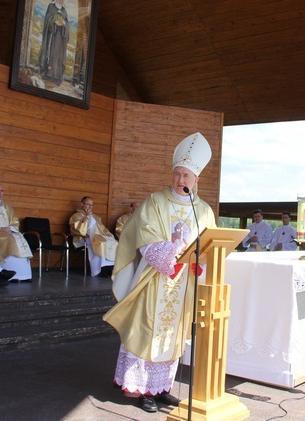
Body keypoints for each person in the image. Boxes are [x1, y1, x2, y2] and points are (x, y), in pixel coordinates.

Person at [103, 132, 216, 413]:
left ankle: (162, 387)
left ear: (196, 180)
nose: (180, 180)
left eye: (186, 175)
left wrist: (198, 261)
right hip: (155, 279)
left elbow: (210, 244)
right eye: (177, 174)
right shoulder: (156, 201)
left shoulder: (203, 210)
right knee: (149, 330)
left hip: (183, 282)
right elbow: (145, 233)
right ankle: (142, 390)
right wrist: (170, 257)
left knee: (172, 334)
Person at [69, 197, 117, 277]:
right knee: (98, 243)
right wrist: (86, 217)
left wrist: (109, 235)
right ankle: (98, 270)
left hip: (97, 237)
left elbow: (103, 229)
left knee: (113, 242)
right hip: (83, 238)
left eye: (92, 205)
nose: (90, 207)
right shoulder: (76, 216)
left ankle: (110, 268)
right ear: (82, 204)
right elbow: (77, 229)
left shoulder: (96, 217)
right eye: (88, 204)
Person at [38, 0, 69, 85]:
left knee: (58, 57)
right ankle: (47, 74)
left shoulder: (64, 10)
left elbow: (67, 24)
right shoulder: (51, 6)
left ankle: (56, 77)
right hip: (51, 36)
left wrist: (64, 23)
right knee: (50, 54)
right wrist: (53, 22)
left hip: (60, 39)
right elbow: (48, 19)